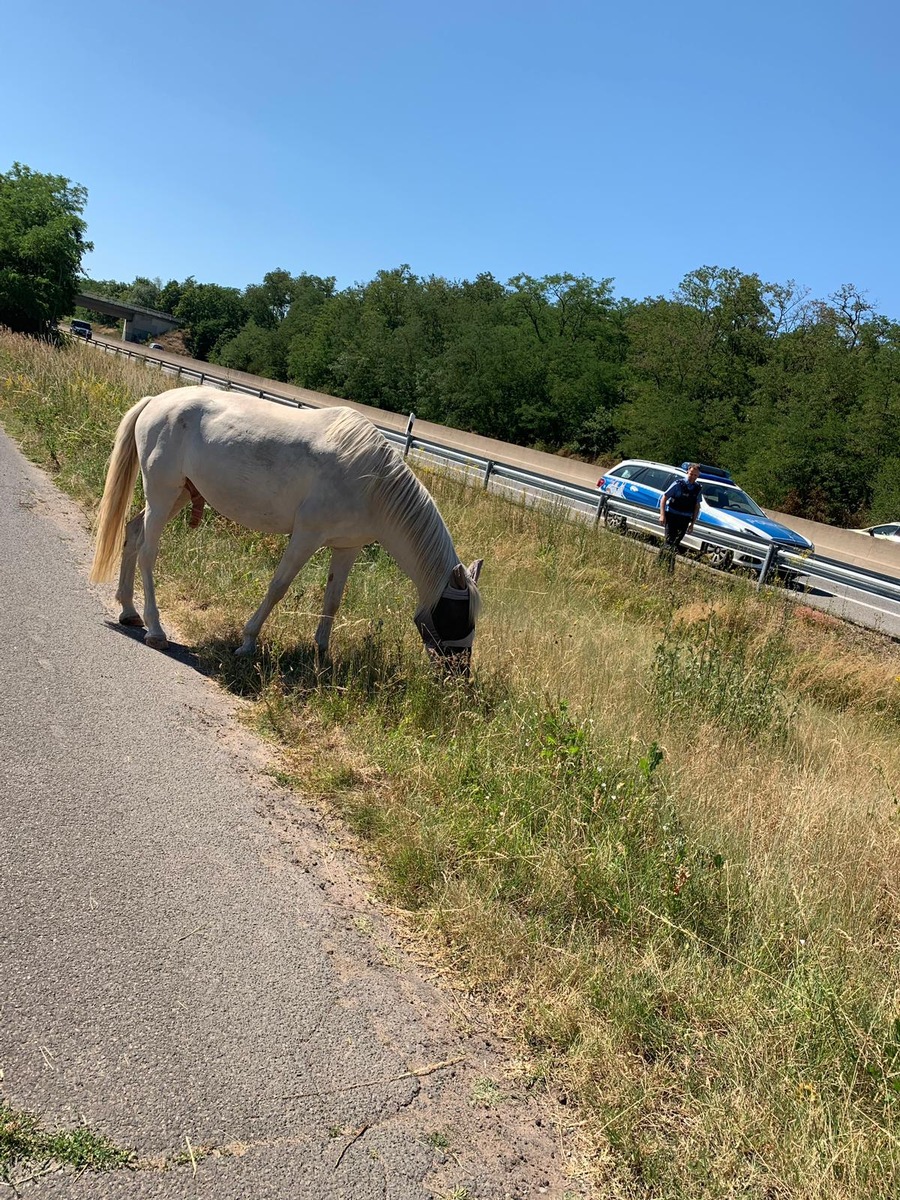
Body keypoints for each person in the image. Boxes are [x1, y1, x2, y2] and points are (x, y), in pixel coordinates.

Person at [659, 463, 702, 571]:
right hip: (672, 516)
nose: (692, 477)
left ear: (698, 476)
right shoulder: (678, 484)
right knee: (669, 542)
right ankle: (669, 568)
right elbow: (664, 497)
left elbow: (697, 506)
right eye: (691, 474)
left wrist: (692, 524)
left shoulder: (697, 488)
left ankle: (659, 563)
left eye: (695, 475)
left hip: (685, 519)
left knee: (675, 543)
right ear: (688, 472)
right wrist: (662, 515)